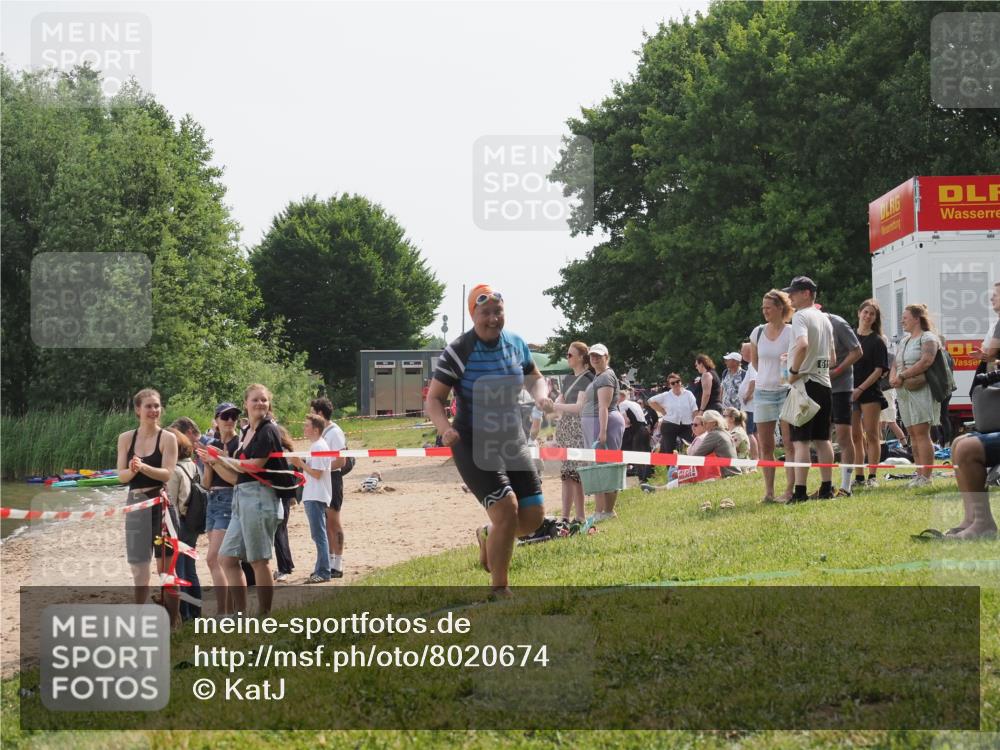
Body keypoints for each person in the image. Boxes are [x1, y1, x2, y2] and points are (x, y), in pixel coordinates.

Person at [425, 285, 547, 597]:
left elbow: (535, 377)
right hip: (472, 442)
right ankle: (499, 588)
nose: (493, 319)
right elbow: (434, 399)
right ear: (473, 315)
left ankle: (488, 534)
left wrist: (541, 396)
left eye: (498, 312)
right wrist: (444, 428)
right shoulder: (459, 350)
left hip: (512, 438)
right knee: (507, 510)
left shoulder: (516, 343)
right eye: (485, 313)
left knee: (533, 518)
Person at [200, 383, 285, 616]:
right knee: (226, 558)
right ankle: (239, 614)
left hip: (260, 497)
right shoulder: (248, 431)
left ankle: (264, 615)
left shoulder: (268, 430)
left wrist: (224, 460)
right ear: (246, 403)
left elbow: (255, 465)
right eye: (255, 399)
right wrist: (218, 461)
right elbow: (236, 475)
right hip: (240, 497)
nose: (260, 403)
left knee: (259, 559)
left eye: (264, 400)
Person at [116, 388, 179, 625]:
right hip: (135, 505)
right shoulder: (125, 438)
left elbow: (167, 473)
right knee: (140, 571)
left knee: (166, 571)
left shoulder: (168, 438)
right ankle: (139, 618)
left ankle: (172, 623)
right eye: (148, 406)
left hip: (160, 506)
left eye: (156, 406)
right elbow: (121, 476)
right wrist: (132, 470)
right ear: (137, 410)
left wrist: (143, 467)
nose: (153, 410)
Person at [783, 276, 836, 503]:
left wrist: (794, 369)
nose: (790, 297)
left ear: (806, 293)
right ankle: (826, 488)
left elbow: (803, 344)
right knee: (823, 439)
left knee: (801, 441)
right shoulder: (825, 319)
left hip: (804, 383)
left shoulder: (801, 316)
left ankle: (800, 492)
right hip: (824, 383)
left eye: (794, 293)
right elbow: (833, 358)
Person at [750, 289, 795, 503]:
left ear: (780, 308)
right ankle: (768, 492)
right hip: (763, 393)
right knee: (766, 446)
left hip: (786, 392)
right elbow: (755, 362)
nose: (765, 311)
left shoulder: (792, 332)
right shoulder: (757, 332)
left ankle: (789, 490)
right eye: (763, 308)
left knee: (789, 443)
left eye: (768, 307)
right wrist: (767, 376)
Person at [889, 304, 941, 487]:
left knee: (921, 433)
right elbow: (895, 363)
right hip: (903, 392)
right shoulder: (904, 340)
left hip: (921, 390)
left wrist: (903, 376)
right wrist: (893, 377)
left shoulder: (928, 338)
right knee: (912, 433)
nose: (902, 321)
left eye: (905, 317)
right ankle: (918, 474)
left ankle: (927, 477)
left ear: (917, 319)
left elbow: (926, 361)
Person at [200, 402, 241, 614]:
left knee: (215, 558)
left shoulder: (238, 443)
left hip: (229, 499)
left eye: (234, 416)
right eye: (225, 416)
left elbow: (236, 479)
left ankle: (224, 611)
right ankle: (229, 610)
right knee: (221, 560)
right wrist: (209, 463)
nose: (230, 420)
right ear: (216, 420)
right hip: (213, 499)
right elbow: (206, 483)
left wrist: (217, 461)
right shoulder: (213, 444)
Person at [577, 343, 626, 521]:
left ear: (607, 357)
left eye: (599, 355)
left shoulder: (606, 376)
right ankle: (601, 511)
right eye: (592, 355)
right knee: (599, 467)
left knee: (607, 467)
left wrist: (603, 432)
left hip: (605, 424)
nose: (595, 358)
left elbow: (604, 407)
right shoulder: (599, 376)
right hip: (596, 424)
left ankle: (608, 511)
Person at [547, 342, 594, 522]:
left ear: (581, 357)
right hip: (565, 426)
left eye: (570, 355)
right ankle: (565, 517)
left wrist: (556, 406)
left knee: (576, 474)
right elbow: (560, 402)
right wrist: (553, 406)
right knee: (566, 473)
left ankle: (580, 516)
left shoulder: (588, 378)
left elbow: (579, 407)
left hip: (578, 427)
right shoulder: (567, 379)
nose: (567, 358)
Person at [850, 300, 889, 490]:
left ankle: (872, 476)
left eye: (872, 314)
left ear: (875, 318)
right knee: (855, 436)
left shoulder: (878, 341)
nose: (867, 316)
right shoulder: (849, 336)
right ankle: (859, 476)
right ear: (859, 313)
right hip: (849, 391)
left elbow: (879, 370)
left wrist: (860, 389)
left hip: (870, 392)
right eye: (865, 312)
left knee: (872, 434)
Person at [825, 309, 863, 497]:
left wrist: (838, 370)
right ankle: (826, 485)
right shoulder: (805, 325)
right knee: (822, 438)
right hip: (820, 387)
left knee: (843, 437)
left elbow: (857, 351)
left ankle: (846, 486)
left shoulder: (838, 323)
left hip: (841, 388)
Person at [290, 415, 333, 583]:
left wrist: (300, 463)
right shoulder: (317, 445)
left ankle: (324, 571)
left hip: (316, 495)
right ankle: (321, 568)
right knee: (318, 534)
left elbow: (317, 473)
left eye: (307, 426)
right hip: (314, 494)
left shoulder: (319, 446)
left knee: (319, 535)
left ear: (315, 429)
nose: (304, 428)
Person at [308, 397, 348, 578]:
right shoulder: (321, 433)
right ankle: (328, 561)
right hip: (323, 479)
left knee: (333, 521)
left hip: (333, 478)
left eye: (312, 412)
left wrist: (321, 468)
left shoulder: (335, 432)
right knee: (325, 524)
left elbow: (341, 461)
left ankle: (338, 564)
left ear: (320, 413)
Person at [165, 427, 201, 620]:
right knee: (190, 569)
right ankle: (195, 612)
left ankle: (185, 614)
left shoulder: (174, 470)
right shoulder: (191, 465)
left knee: (179, 571)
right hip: (193, 522)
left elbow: (172, 501)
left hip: (179, 523)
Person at [271, 424, 297, 582]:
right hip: (285, 494)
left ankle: (284, 568)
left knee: (278, 532)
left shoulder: (281, 452)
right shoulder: (286, 451)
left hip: (281, 494)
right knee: (281, 531)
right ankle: (287, 564)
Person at [648, 374, 698, 454]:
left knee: (695, 443)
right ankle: (668, 461)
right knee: (669, 451)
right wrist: (661, 410)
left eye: (677, 381)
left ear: (681, 382)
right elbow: (650, 401)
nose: (676, 384)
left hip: (686, 425)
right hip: (669, 425)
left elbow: (695, 410)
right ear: (670, 385)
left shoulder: (688, 394)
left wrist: (695, 425)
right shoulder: (666, 395)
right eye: (673, 383)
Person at [689, 410, 740, 478]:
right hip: (733, 473)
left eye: (705, 422)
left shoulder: (714, 434)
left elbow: (696, 455)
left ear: (714, 423)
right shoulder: (725, 432)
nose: (704, 425)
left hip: (728, 475)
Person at [738, 342, 759, 460]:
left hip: (749, 407)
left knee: (749, 433)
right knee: (755, 433)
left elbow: (754, 381)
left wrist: (747, 396)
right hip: (752, 406)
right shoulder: (753, 364)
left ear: (749, 352)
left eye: (742, 351)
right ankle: (759, 457)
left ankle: (755, 458)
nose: (741, 353)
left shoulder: (752, 365)